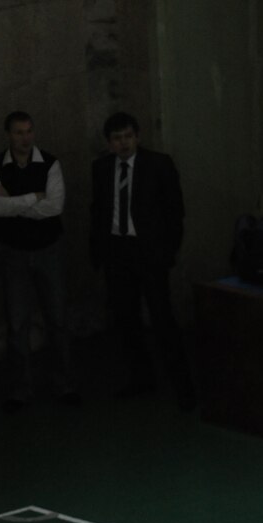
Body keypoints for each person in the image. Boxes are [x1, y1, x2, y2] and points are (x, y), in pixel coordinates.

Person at [90, 112, 193, 409]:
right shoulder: (102, 168)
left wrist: (168, 252)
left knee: (163, 319)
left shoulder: (158, 164)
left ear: (138, 136)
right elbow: (98, 210)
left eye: (128, 136)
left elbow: (175, 212)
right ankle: (141, 377)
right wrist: (98, 252)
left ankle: (183, 386)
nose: (124, 143)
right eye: (118, 138)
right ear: (109, 143)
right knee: (127, 319)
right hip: (117, 252)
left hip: (149, 253)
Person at [0, 110, 78, 410]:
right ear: (8, 135)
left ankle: (63, 383)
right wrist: (33, 197)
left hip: (49, 250)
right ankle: (21, 389)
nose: (25, 138)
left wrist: (14, 202)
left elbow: (54, 207)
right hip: (13, 253)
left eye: (28, 131)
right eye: (18, 132)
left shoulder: (51, 163)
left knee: (58, 319)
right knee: (17, 323)